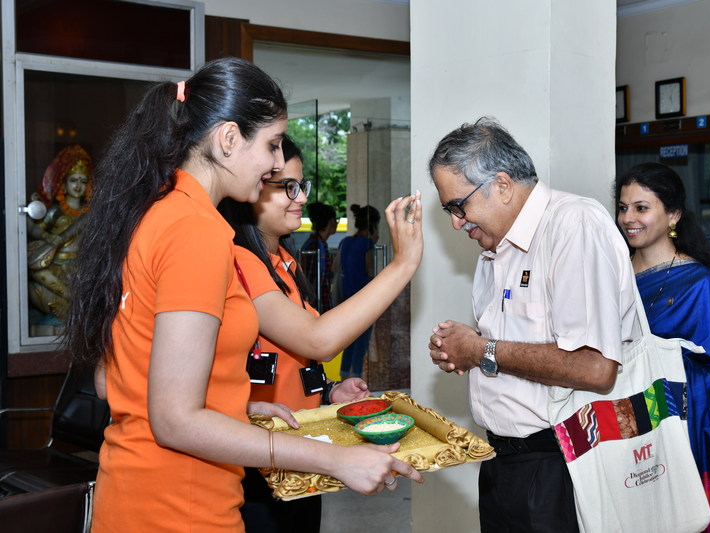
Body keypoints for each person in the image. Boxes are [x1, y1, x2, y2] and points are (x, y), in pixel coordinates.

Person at [63, 57, 422, 533]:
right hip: (181, 510)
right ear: (229, 138)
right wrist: (333, 458)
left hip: (133, 495)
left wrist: (235, 406)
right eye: (272, 144)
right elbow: (174, 420)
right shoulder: (196, 232)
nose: (276, 163)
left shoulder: (156, 213)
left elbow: (117, 381)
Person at [427, 117, 639, 532]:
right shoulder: (495, 248)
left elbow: (594, 367)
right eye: (449, 210)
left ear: (502, 186)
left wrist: (480, 350)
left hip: (562, 465)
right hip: (504, 462)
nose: (456, 222)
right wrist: (467, 351)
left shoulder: (573, 225)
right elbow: (515, 348)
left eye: (458, 206)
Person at [218, 136, 424, 532]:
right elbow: (317, 339)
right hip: (258, 461)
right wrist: (402, 264)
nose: (300, 198)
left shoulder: (285, 262)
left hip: (298, 454)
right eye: (286, 186)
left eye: (301, 185)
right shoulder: (240, 261)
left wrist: (328, 391)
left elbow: (293, 357)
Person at [615, 162, 710, 533]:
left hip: (680, 431)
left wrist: (660, 368)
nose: (628, 218)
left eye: (641, 207)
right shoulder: (611, 275)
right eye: (622, 207)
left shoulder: (701, 287)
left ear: (673, 215)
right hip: (619, 422)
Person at [27, 144, 92, 325]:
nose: (78, 185)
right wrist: (47, 237)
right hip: (55, 267)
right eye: (73, 180)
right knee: (35, 286)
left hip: (80, 269)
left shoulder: (89, 214)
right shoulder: (55, 212)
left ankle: (74, 306)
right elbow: (33, 228)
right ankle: (70, 300)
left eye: (83, 181)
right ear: (64, 184)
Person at [337, 203, 382, 379]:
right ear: (374, 224)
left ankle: (343, 376)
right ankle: (357, 377)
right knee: (361, 342)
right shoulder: (367, 243)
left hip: (347, 298)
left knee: (349, 341)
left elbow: (335, 267)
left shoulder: (346, 242)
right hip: (363, 300)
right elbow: (370, 270)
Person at [300, 201, 338, 313]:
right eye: (336, 220)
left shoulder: (318, 244)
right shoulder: (315, 246)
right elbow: (309, 279)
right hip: (317, 308)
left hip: (321, 306)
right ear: (331, 221)